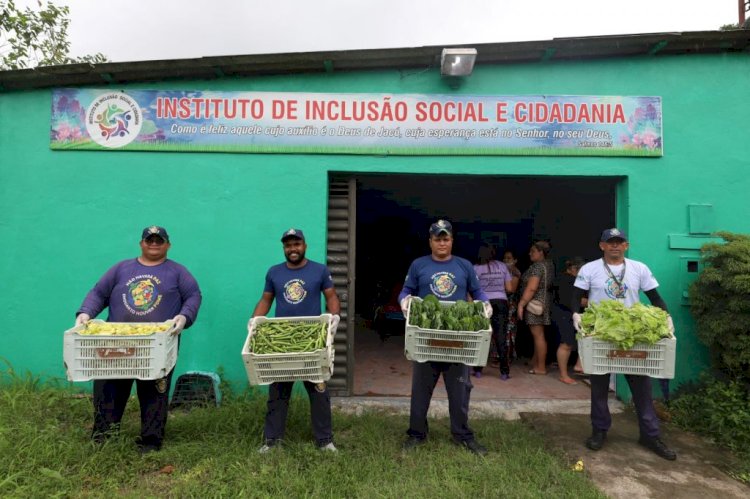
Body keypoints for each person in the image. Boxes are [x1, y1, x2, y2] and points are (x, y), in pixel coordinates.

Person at [74, 225, 202, 454]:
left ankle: (151, 441)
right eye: (149, 239)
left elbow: (193, 295)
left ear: (168, 245)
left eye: (159, 240)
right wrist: (85, 313)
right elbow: (98, 293)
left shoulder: (178, 272)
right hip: (117, 342)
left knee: (154, 390)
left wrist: (184, 316)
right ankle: (103, 436)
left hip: (157, 344)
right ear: (141, 243)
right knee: (109, 387)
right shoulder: (121, 268)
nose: (154, 243)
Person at [571, 228, 677, 460]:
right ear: (602, 246)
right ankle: (599, 430)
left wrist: (666, 316)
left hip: (632, 335)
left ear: (626, 246)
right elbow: (576, 295)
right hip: (601, 333)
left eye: (619, 242)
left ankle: (650, 435)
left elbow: (655, 297)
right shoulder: (590, 269)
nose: (615, 246)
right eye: (610, 243)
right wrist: (576, 314)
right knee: (598, 386)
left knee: (642, 387)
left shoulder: (639, 268)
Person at [398, 219, 491, 456]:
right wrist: (404, 301)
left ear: (452, 241)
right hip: (426, 338)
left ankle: (462, 435)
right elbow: (406, 290)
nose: (442, 242)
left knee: (460, 391)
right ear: (430, 241)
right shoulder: (419, 265)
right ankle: (416, 434)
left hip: (456, 339)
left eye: (445, 238)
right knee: (420, 390)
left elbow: (477, 291)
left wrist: (485, 303)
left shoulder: (464, 266)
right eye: (437, 238)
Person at [250, 228, 341, 453]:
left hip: (312, 338)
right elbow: (266, 299)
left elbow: (331, 297)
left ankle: (324, 440)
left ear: (305, 246)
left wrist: (334, 318)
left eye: (296, 244)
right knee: (278, 391)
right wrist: (254, 321)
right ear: (284, 248)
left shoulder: (319, 270)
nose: (293, 249)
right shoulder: (274, 272)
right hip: (283, 340)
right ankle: (272, 441)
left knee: (319, 390)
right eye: (288, 245)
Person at [472, 244, 518, 380]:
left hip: (483, 303)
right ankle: (504, 372)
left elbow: (473, 289)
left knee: (481, 335)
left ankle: (478, 370)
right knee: (501, 336)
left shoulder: (475, 268)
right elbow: (509, 288)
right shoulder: (502, 266)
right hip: (501, 302)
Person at [517, 240, 554, 375]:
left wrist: (521, 303)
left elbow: (532, 287)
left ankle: (541, 367)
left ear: (541, 252)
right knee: (539, 335)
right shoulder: (548, 265)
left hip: (535, 304)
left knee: (538, 335)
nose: (530, 253)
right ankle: (535, 361)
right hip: (544, 302)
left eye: (533, 251)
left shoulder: (538, 267)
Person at [552, 257, 586, 385]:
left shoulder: (566, 279)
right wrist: (595, 301)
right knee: (566, 344)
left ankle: (579, 366)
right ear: (573, 269)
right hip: (564, 314)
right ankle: (564, 375)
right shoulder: (568, 281)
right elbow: (572, 301)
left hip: (565, 314)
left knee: (579, 341)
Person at [502, 250, 522, 364]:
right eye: (505, 258)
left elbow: (511, 289)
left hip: (511, 304)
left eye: (509, 258)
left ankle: (507, 356)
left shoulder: (515, 272)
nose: (506, 260)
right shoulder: (504, 271)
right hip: (504, 303)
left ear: (515, 260)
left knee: (508, 330)